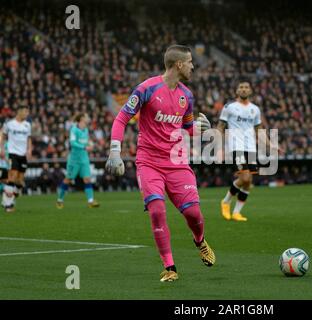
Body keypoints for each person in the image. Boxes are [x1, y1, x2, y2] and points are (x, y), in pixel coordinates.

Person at [105, 44, 215, 282]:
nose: (193, 67)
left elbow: (186, 128)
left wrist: (199, 128)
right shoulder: (147, 88)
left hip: (176, 161)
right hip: (149, 162)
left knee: (194, 214)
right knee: (156, 210)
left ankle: (200, 241)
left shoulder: (187, 95)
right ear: (178, 64)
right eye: (190, 62)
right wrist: (115, 151)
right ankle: (170, 267)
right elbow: (122, 118)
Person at [217, 79, 264, 221]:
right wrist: (218, 146)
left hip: (250, 148)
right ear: (237, 91)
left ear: (250, 91)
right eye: (241, 87)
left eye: (246, 87)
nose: (243, 89)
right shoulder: (229, 107)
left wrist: (271, 145)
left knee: (249, 181)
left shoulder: (255, 109)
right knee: (244, 177)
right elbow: (220, 126)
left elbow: (259, 130)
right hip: (236, 146)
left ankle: (237, 212)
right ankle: (225, 201)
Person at [56, 113, 100, 208]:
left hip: (84, 158)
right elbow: (72, 143)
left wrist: (90, 144)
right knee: (68, 179)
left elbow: (86, 141)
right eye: (87, 116)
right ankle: (59, 200)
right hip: (74, 159)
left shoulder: (86, 130)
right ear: (81, 118)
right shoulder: (74, 129)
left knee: (87, 179)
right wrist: (85, 147)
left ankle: (91, 201)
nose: (88, 118)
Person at [0, 106, 32, 212]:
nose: (27, 114)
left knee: (19, 182)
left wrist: (29, 150)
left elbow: (29, 138)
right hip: (12, 153)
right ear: (19, 112)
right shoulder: (9, 124)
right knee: (12, 177)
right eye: (26, 112)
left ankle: (8, 197)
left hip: (23, 155)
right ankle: (8, 205)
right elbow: (3, 136)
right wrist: (2, 149)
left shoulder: (27, 125)